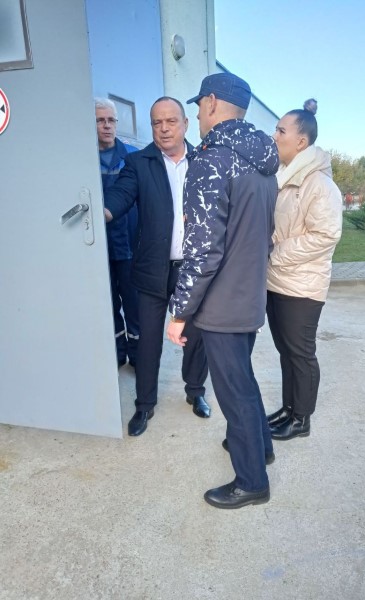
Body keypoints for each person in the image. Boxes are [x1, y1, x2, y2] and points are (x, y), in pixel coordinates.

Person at [166, 73, 279, 509]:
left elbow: (202, 250)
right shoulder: (262, 161)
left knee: (234, 391)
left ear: (212, 102)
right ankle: (260, 447)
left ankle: (251, 481)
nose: (196, 115)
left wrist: (179, 312)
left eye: (198, 106)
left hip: (222, 303)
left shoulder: (212, 159)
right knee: (242, 379)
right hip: (249, 295)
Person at [104, 97, 210, 437]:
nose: (163, 129)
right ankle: (144, 404)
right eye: (156, 123)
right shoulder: (138, 162)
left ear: (185, 124)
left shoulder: (204, 160)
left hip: (193, 269)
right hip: (152, 269)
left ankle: (195, 391)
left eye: (170, 121)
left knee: (196, 336)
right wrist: (102, 212)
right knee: (148, 341)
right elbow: (121, 195)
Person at [266, 99, 342, 441]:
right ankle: (289, 409)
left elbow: (325, 235)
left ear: (301, 141)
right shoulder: (287, 178)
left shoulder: (318, 184)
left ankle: (302, 419)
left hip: (302, 286)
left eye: (280, 130)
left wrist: (275, 253)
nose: (274, 135)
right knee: (287, 353)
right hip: (278, 280)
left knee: (300, 354)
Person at [95, 98, 140, 368]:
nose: (107, 125)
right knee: (108, 303)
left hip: (129, 246)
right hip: (98, 248)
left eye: (111, 120)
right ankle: (117, 354)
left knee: (134, 304)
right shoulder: (83, 160)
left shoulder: (132, 157)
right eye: (100, 120)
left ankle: (138, 356)